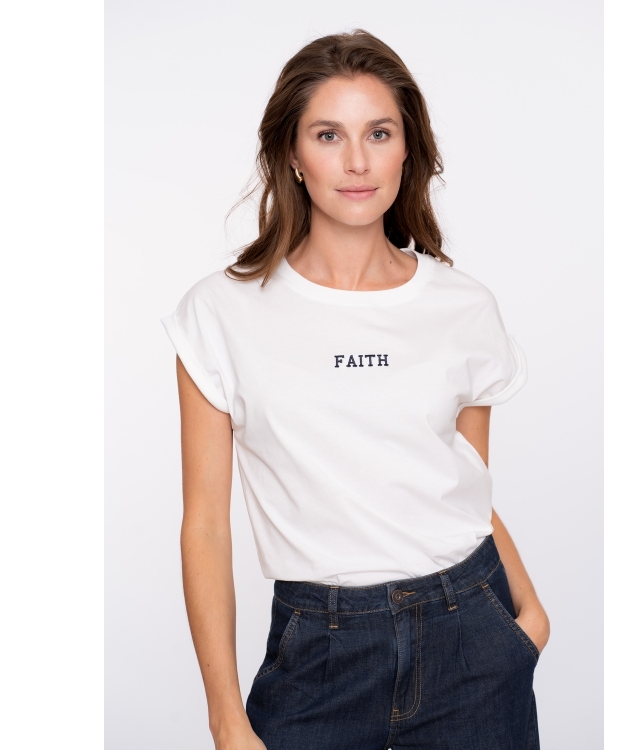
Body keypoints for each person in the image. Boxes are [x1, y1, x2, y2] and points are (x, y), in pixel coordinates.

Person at [161, 29, 550, 750]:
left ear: (407, 148)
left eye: (378, 132)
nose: (357, 161)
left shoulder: (461, 306)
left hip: (472, 638)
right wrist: (226, 719)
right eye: (327, 135)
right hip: (318, 656)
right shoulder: (219, 314)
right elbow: (205, 526)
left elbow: (464, 490)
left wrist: (529, 621)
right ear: (291, 153)